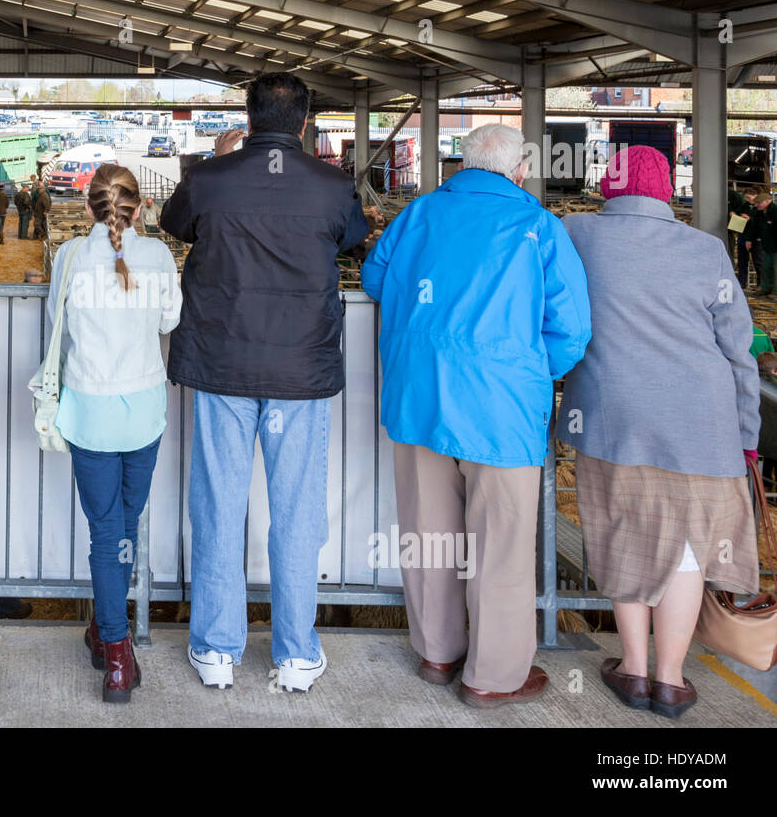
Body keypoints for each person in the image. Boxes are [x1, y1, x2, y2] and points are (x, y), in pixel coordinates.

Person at [361, 123, 591, 708]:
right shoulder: (538, 226)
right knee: (502, 545)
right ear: (519, 173)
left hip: (420, 400)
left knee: (429, 534)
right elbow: (572, 330)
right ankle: (491, 676)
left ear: (462, 164)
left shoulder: (417, 215)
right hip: (501, 409)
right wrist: (530, 370)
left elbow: (376, 280)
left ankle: (438, 652)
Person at [161, 72, 369, 693]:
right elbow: (352, 239)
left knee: (219, 502)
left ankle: (216, 649)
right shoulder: (333, 186)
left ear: (247, 120)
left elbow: (177, 224)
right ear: (304, 123)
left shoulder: (208, 179)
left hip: (223, 367)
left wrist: (217, 162)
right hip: (300, 371)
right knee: (297, 510)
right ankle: (297, 654)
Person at [559, 145, 758, 720]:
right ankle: (671, 682)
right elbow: (739, 353)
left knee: (623, 535)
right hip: (705, 423)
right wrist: (747, 433)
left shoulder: (579, 233)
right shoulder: (707, 250)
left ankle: (635, 669)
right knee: (691, 548)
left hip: (614, 420)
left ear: (608, 187)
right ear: (668, 191)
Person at [49, 164, 181, 702]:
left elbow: (55, 313)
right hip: (143, 410)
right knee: (124, 527)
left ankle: (113, 645)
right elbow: (169, 322)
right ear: (141, 206)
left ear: (88, 209)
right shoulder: (159, 257)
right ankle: (112, 641)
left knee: (107, 532)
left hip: (90, 410)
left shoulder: (70, 257)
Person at [729, 186, 758, 287]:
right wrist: (733, 213)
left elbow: (760, 222)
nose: (749, 200)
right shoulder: (745, 205)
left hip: (755, 239)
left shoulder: (760, 207)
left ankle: (761, 284)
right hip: (743, 237)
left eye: (750, 197)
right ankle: (742, 283)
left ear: (756, 196)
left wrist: (749, 218)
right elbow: (735, 211)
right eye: (746, 198)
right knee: (742, 262)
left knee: (758, 262)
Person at [750, 190, 775, 295]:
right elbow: (754, 227)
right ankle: (765, 288)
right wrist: (749, 239)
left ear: (768, 201)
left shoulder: (775, 212)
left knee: (775, 269)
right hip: (766, 246)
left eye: (759, 203)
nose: (757, 205)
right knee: (765, 267)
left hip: (775, 246)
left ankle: (775, 291)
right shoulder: (759, 213)